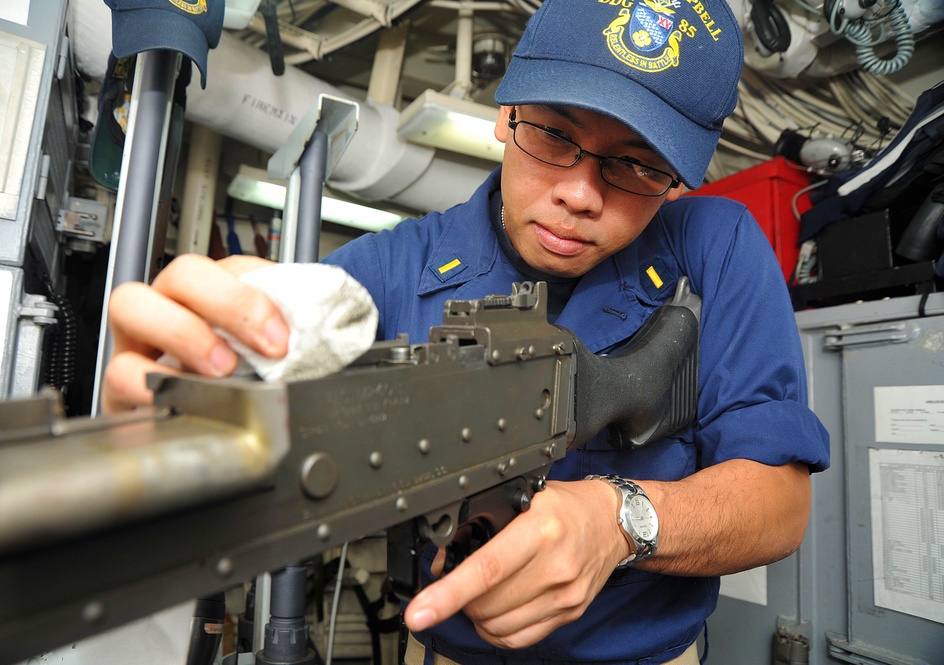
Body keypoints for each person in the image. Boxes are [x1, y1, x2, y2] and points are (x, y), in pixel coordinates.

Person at [101, 0, 831, 663]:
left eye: (636, 165)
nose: (579, 193)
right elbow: (298, 326)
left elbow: (781, 505)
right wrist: (193, 394)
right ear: (504, 114)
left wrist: (620, 521)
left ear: (678, 177)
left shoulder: (717, 246)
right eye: (553, 132)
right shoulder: (396, 263)